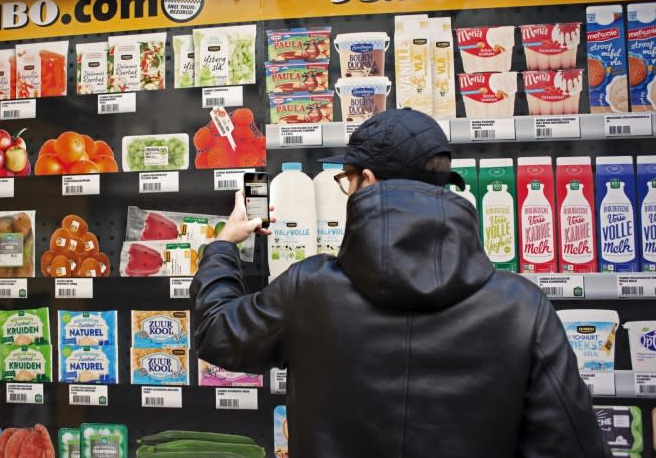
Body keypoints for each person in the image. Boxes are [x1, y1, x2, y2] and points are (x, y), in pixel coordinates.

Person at [192, 108, 610, 457]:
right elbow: (571, 445)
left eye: (346, 181)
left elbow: (216, 332)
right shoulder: (522, 307)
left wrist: (224, 245)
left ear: (368, 181)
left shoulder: (309, 290)